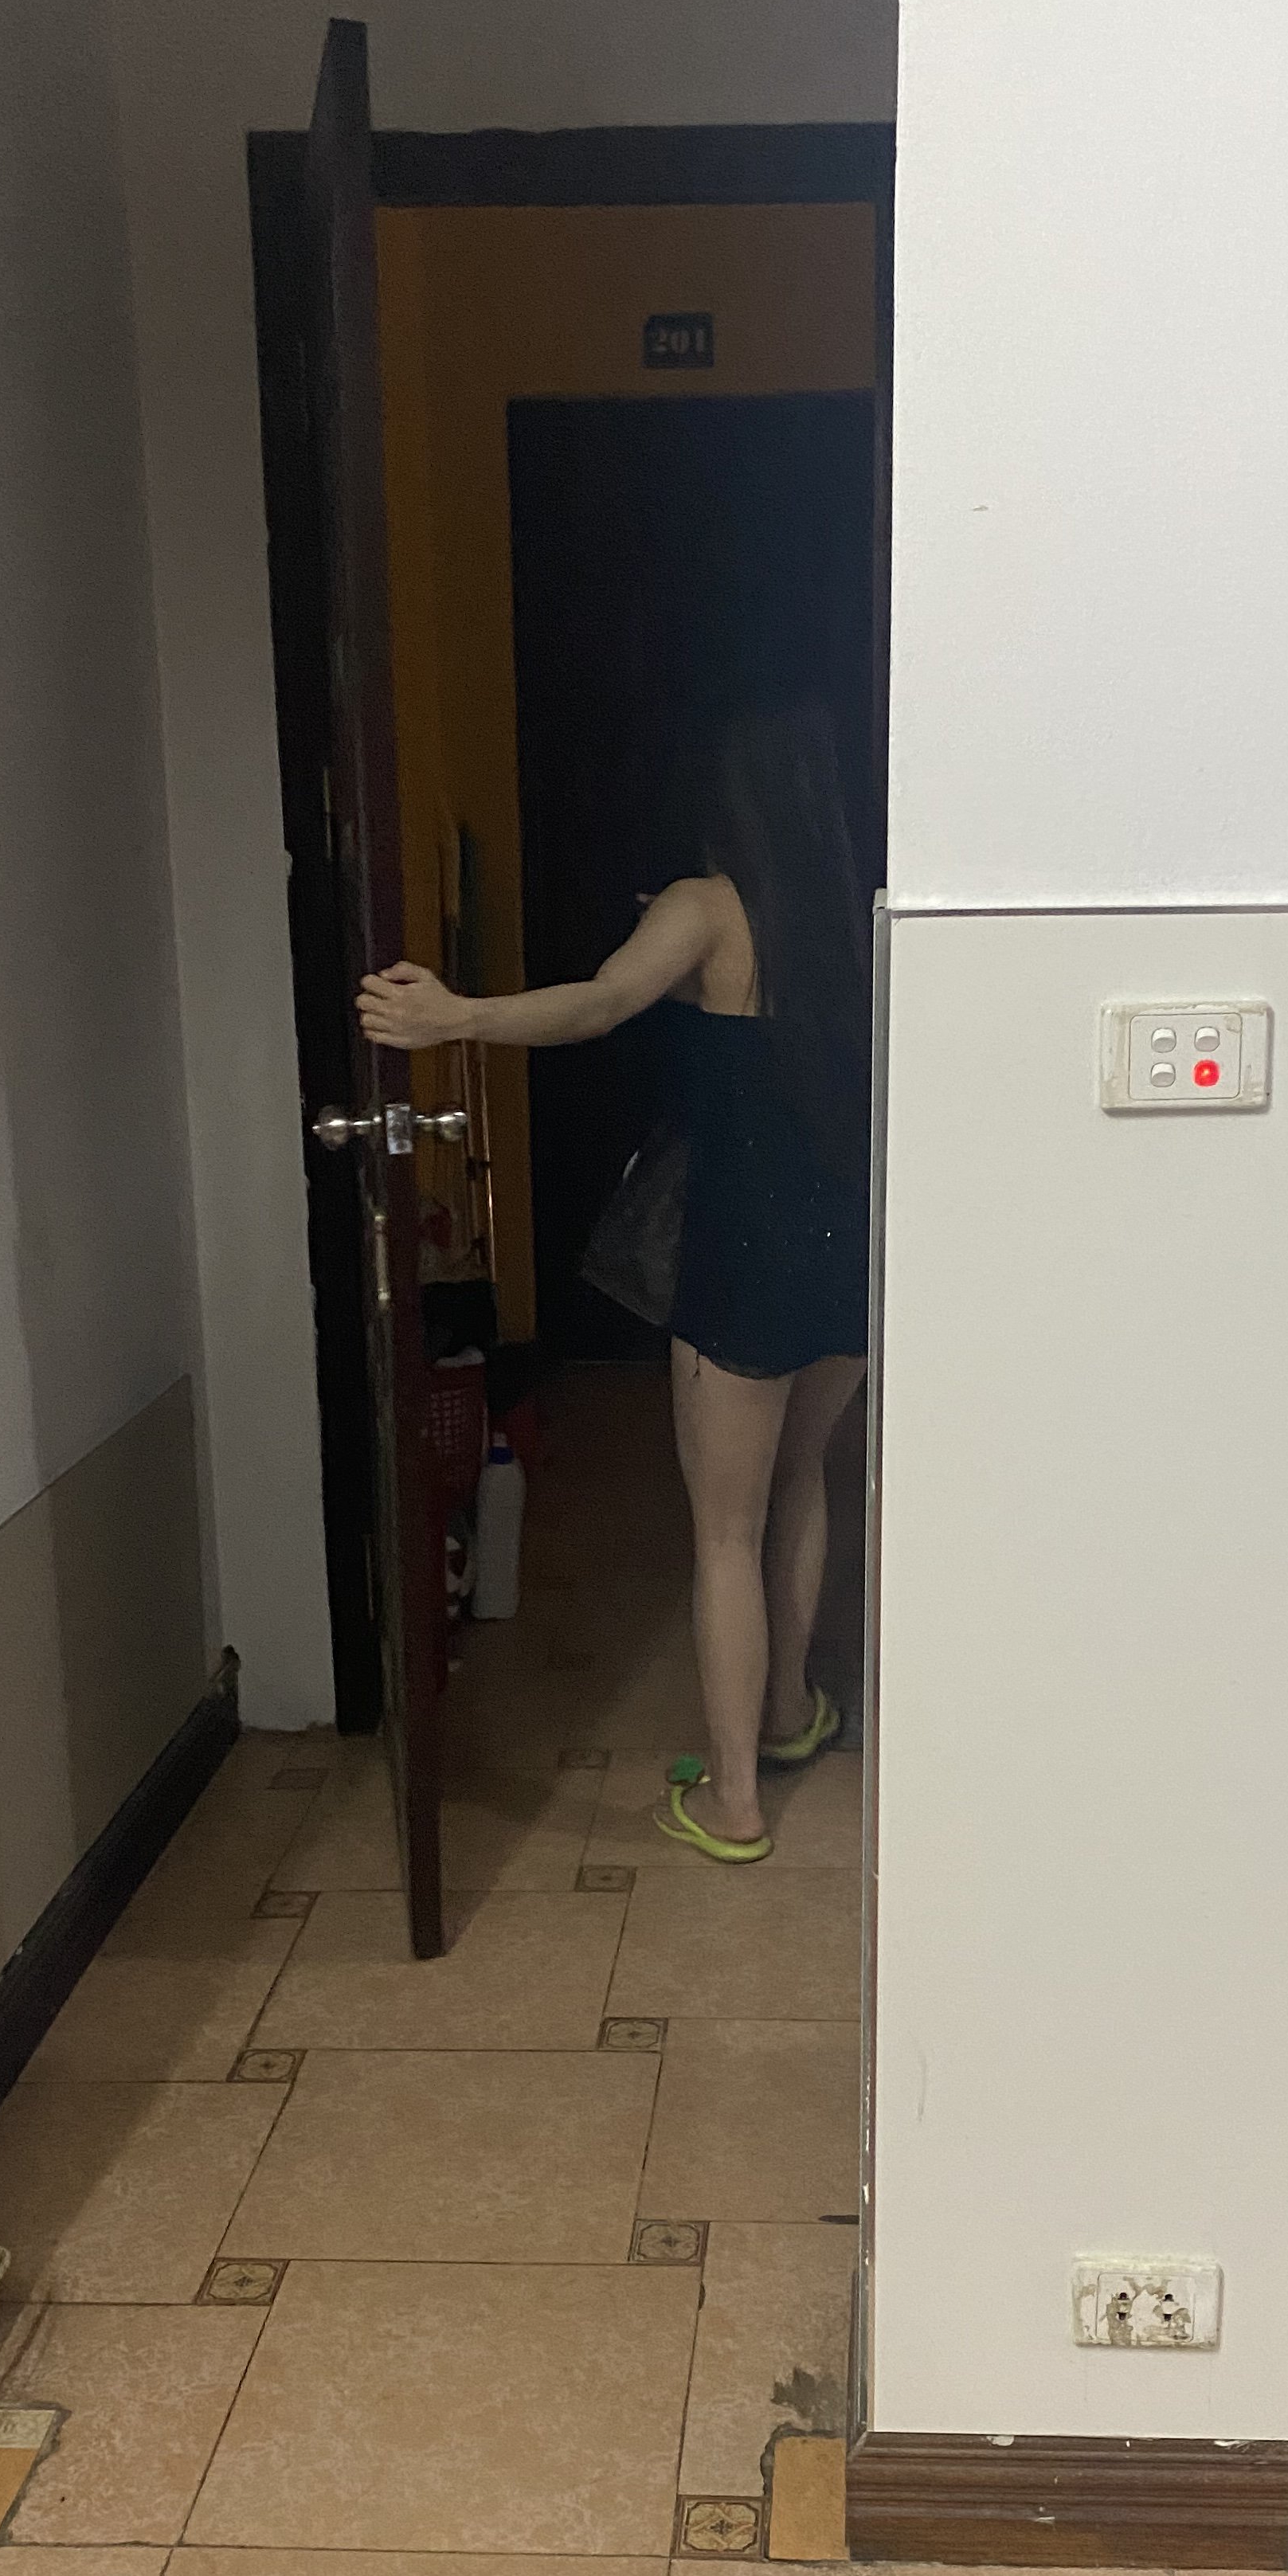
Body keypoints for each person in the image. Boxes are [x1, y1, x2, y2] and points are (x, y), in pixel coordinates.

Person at [358, 704, 871, 1864]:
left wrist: (454, 1019)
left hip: (741, 1261)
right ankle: (788, 1716)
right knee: (803, 1481)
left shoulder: (706, 907)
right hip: (847, 1248)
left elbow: (595, 1004)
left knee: (725, 1532)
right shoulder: (845, 917)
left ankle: (735, 1804)